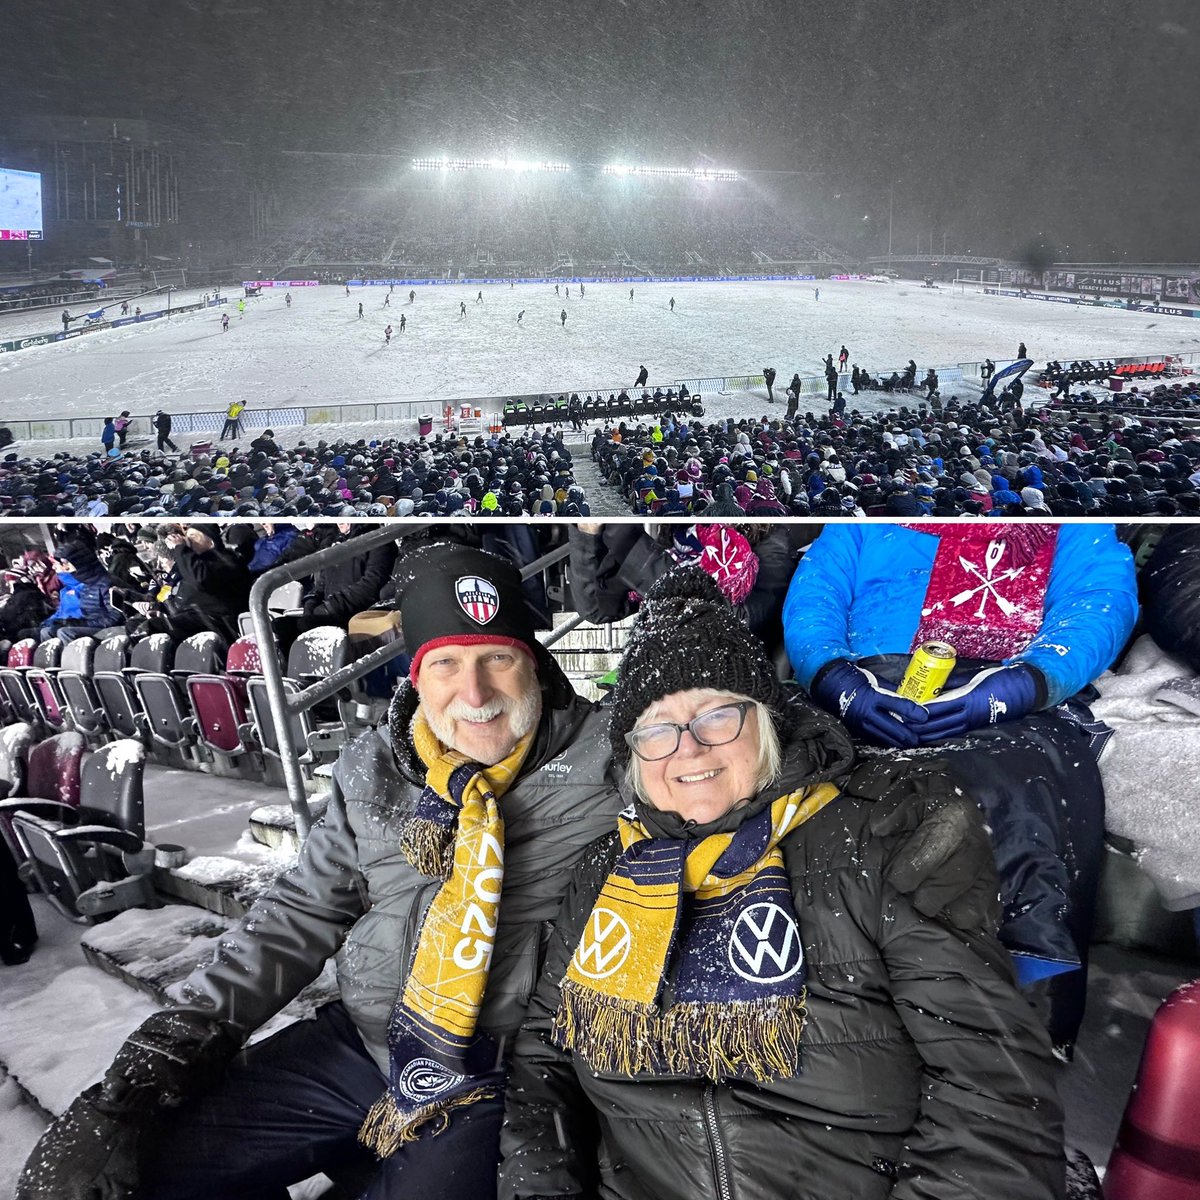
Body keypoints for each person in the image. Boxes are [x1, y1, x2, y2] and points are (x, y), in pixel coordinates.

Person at [17, 543, 623, 1200]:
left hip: (496, 1068)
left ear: (534, 663)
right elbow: (301, 911)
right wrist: (173, 1039)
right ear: (416, 678)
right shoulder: (379, 765)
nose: (473, 693)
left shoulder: (613, 756)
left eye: (496, 659)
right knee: (140, 1166)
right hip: (364, 1040)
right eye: (445, 663)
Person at [499, 570, 1064, 1200]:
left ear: (765, 724)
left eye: (717, 715)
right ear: (632, 757)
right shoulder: (608, 870)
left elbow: (991, 1091)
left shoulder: (876, 835)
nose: (687, 750)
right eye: (656, 730)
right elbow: (546, 1058)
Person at [782, 522, 1139, 1057]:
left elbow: (1099, 602)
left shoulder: (1071, 527)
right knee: (799, 774)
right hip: (864, 681)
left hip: (1009, 694)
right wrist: (836, 679)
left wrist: (1025, 683)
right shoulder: (862, 514)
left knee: (1014, 794)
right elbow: (817, 594)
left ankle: (1003, 1021)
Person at [39, 540, 121, 644]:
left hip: (110, 630)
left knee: (66, 632)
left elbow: (115, 617)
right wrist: (72, 622)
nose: (65, 568)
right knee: (48, 632)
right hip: (95, 626)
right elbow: (86, 615)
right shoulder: (87, 585)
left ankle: (80, 660)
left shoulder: (106, 583)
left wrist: (77, 623)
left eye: (65, 563)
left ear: (78, 562)